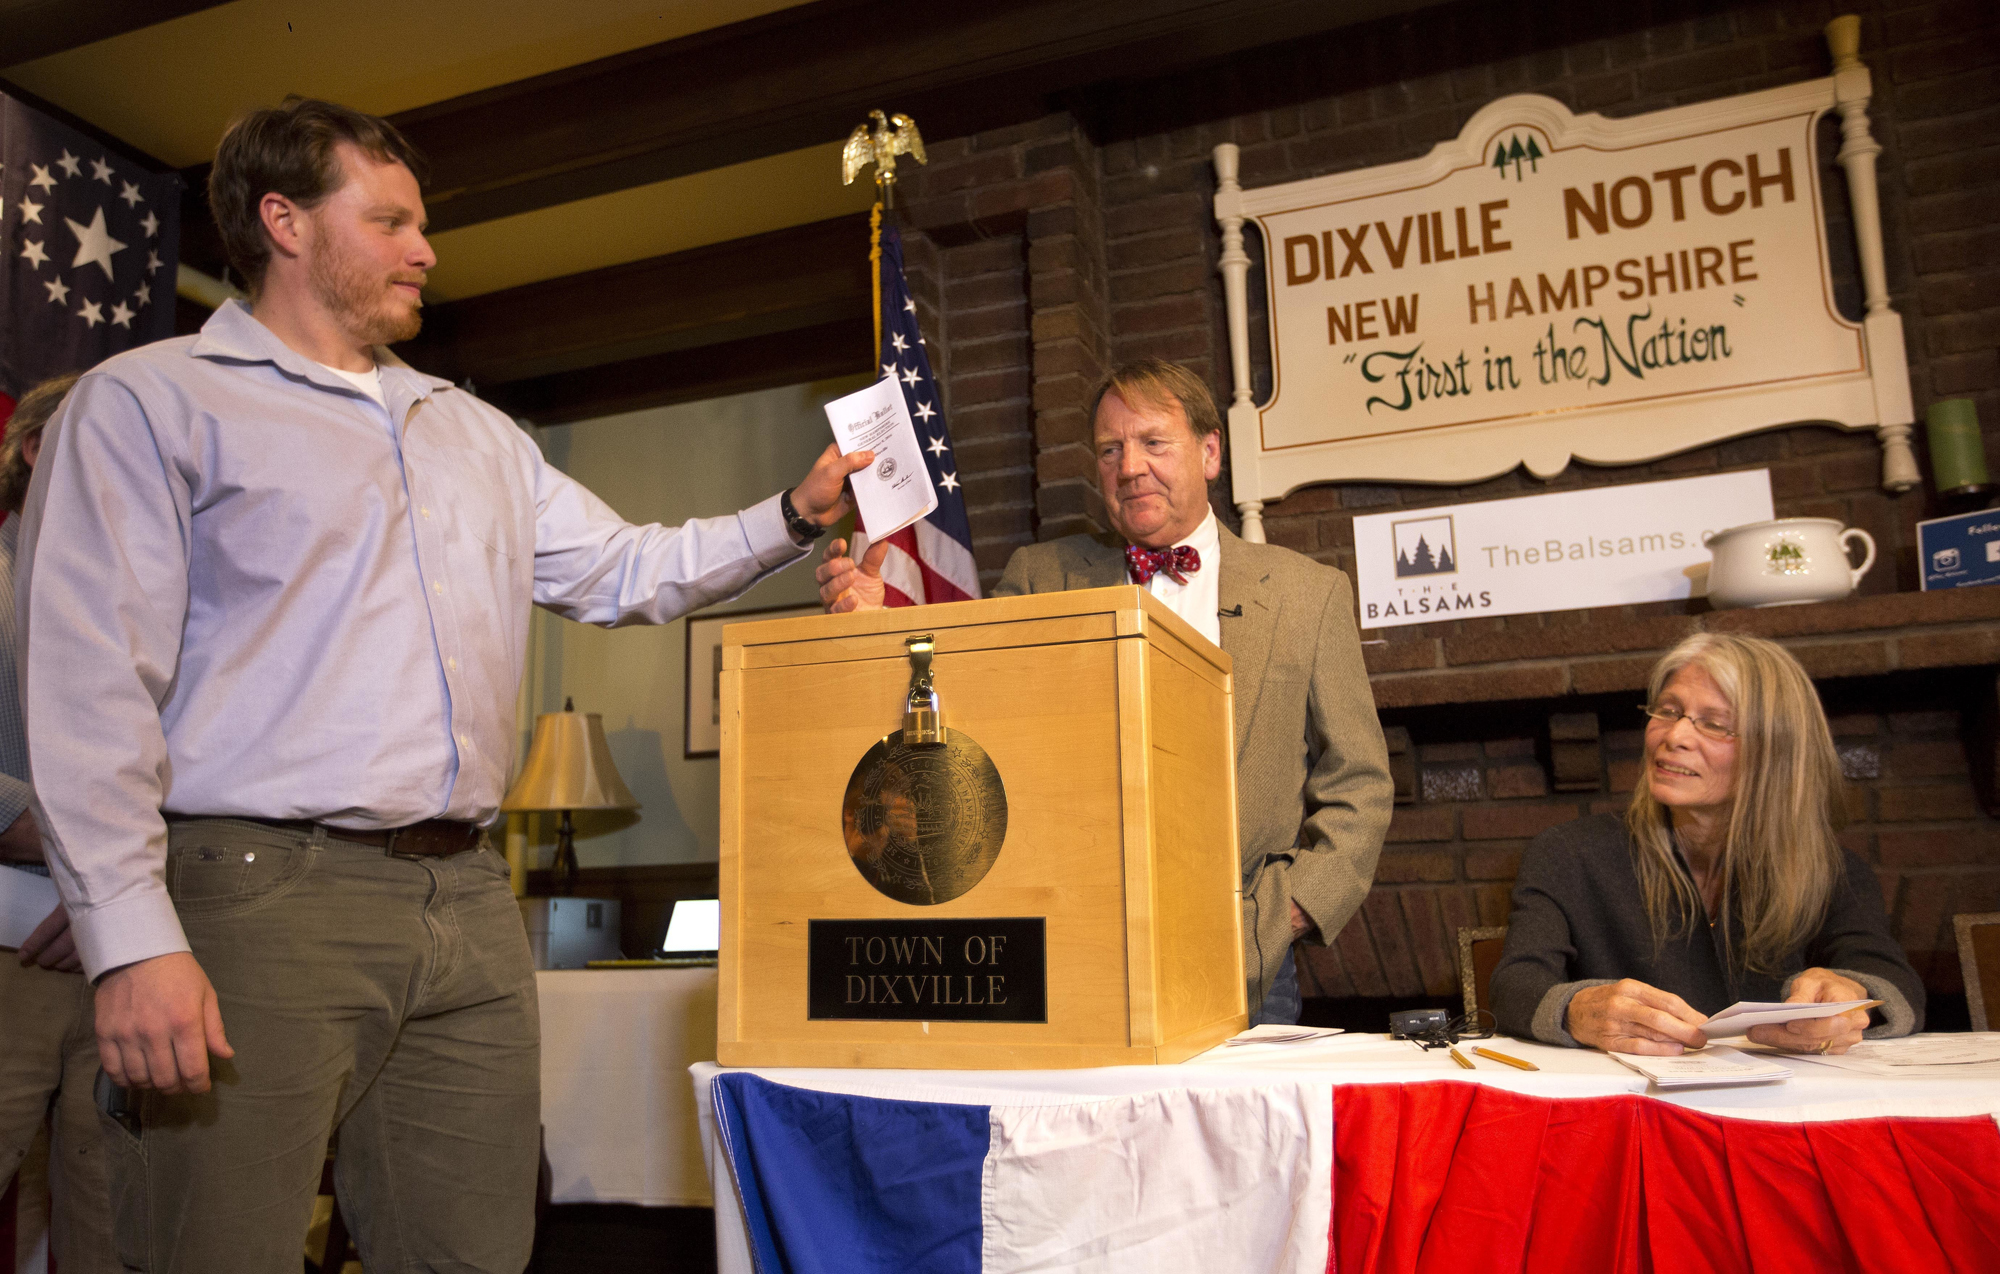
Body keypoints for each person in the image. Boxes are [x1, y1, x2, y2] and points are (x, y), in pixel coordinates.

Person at [17, 98, 873, 1273]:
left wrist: (790, 515)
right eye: (390, 222)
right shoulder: (152, 402)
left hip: (467, 902)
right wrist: (128, 936)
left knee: (473, 1252)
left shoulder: (474, 429)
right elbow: (89, 682)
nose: (425, 250)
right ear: (285, 222)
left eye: (423, 225)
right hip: (255, 895)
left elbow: (627, 568)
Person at [816, 359, 1393, 1024]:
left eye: (1153, 443)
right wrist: (881, 625)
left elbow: (1360, 782)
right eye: (1111, 449)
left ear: (1209, 453)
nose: (1129, 468)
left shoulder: (1307, 594)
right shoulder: (1041, 577)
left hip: (1244, 957)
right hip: (1069, 949)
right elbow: (968, 715)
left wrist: (1288, 912)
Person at [1490, 632, 1922, 1055]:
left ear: (1777, 752)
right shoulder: (1568, 854)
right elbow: (1516, 985)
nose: (1674, 736)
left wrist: (1851, 997)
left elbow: (1896, 985)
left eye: (1714, 724)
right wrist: (1577, 1009)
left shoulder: (1833, 871)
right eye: (1667, 710)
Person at [0, 372, 118, 1273]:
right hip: (11, 951)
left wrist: (115, 907)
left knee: (114, 1223)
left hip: (127, 964)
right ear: (37, 447)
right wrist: (92, 868)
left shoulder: (156, 600)